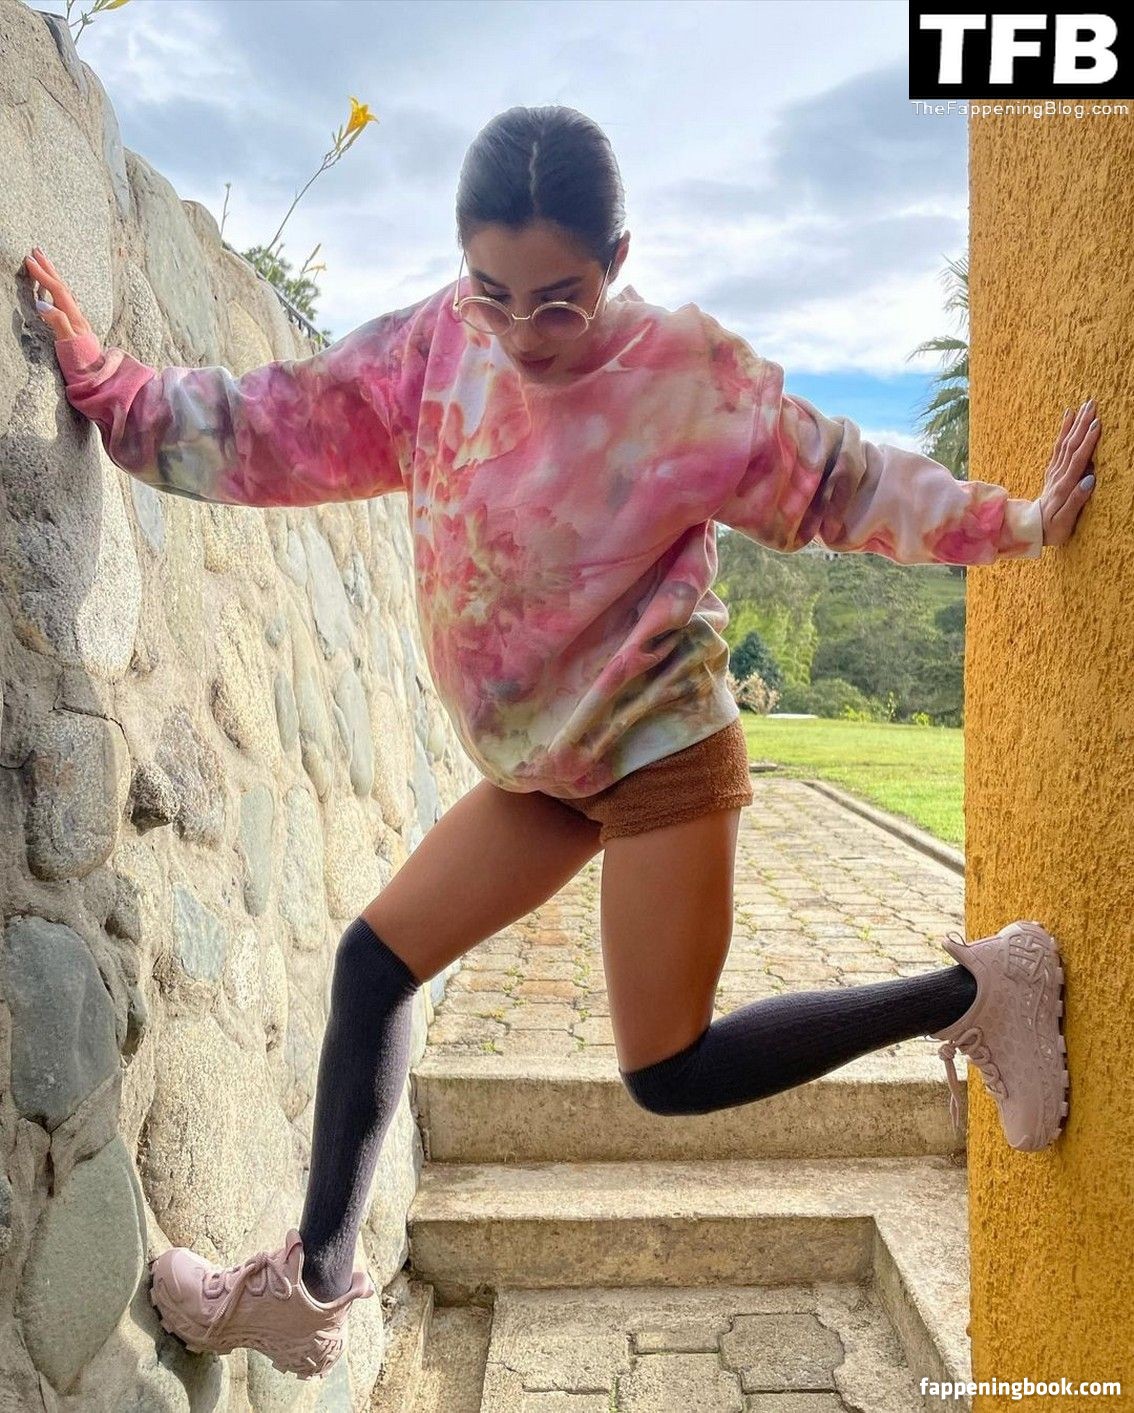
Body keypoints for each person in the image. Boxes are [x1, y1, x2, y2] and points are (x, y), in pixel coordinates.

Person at [24, 103, 1098, 1382]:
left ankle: (981, 992)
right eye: (495, 293)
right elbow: (273, 422)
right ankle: (309, 1294)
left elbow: (846, 480)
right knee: (375, 966)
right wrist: (113, 388)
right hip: (539, 768)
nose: (525, 332)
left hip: (656, 750)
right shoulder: (437, 349)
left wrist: (1020, 521)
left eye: (560, 302)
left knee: (668, 1070)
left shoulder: (684, 377)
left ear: (617, 260)